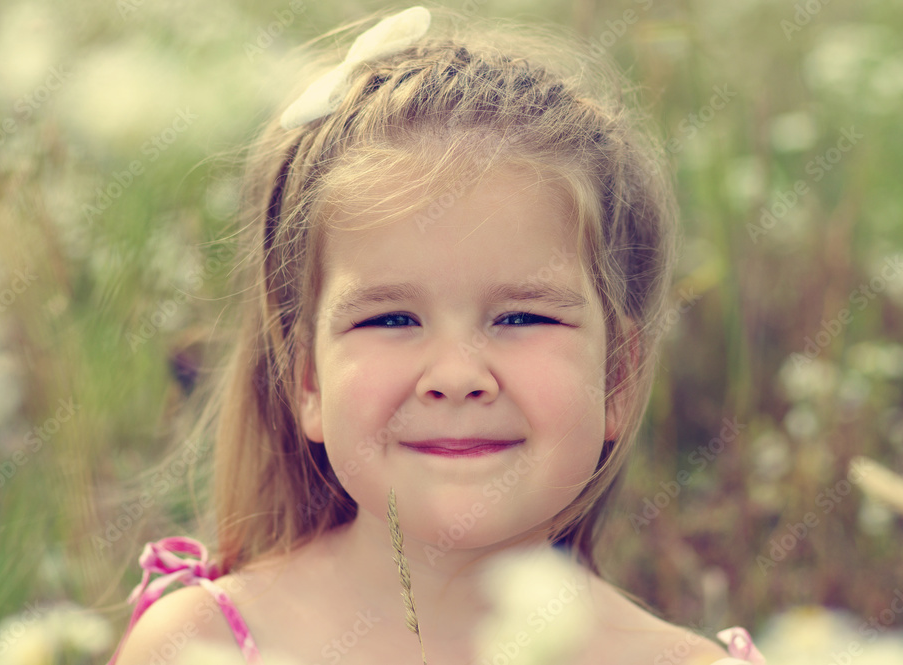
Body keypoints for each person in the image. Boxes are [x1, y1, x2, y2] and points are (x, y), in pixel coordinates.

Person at [106, 6, 765, 664]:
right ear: (308, 379)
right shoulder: (201, 646)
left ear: (616, 376)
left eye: (521, 317)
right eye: (390, 319)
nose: (455, 375)